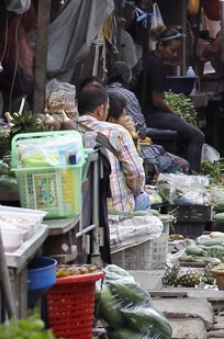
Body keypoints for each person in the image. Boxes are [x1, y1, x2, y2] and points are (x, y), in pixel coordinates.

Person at [76, 82, 149, 213]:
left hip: (82, 211)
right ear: (100, 109)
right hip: (116, 210)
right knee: (143, 198)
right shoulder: (117, 132)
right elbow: (136, 174)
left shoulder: (67, 133)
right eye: (107, 109)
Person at [143, 25, 204, 173]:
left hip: (149, 112)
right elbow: (157, 100)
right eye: (172, 50)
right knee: (197, 135)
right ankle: (194, 176)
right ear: (160, 46)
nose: (174, 54)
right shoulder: (155, 65)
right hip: (151, 115)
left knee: (185, 133)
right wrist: (174, 114)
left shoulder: (148, 60)